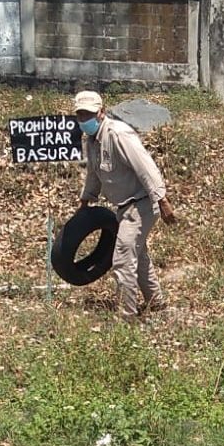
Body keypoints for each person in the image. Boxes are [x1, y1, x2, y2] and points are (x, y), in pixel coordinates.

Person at [73, 91, 176, 318]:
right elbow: (93, 172)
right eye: (80, 114)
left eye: (88, 114)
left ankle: (127, 315)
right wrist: (85, 200)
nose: (84, 119)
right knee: (138, 256)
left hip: (142, 203)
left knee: (122, 258)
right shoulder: (91, 140)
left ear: (101, 112)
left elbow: (145, 166)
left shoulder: (118, 134)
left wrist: (162, 199)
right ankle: (157, 305)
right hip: (124, 207)